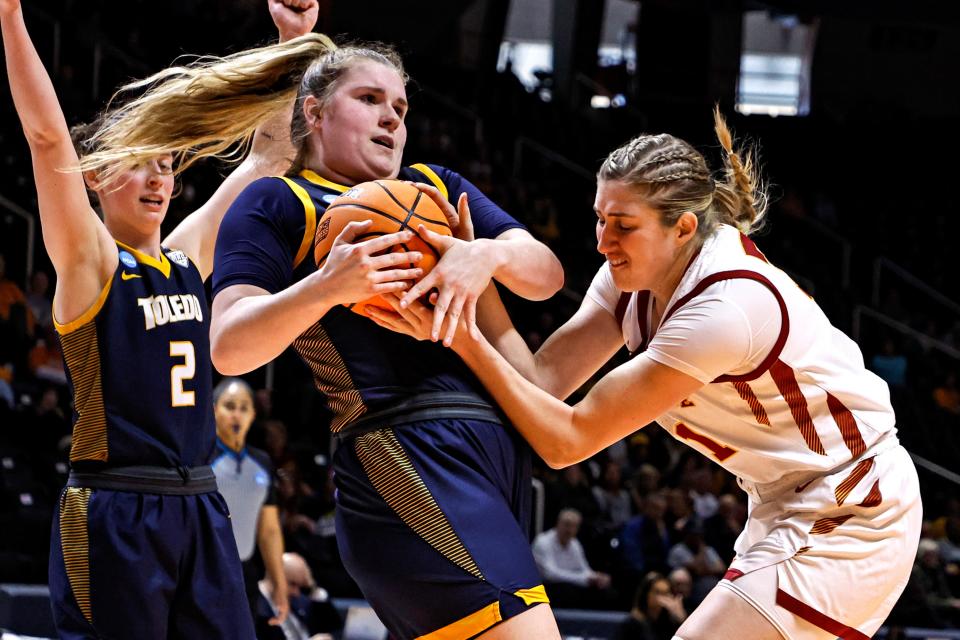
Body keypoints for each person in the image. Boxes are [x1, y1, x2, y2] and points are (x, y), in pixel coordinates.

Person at [372, 109, 923, 640]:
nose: (602, 241)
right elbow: (542, 384)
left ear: (682, 227)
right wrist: (479, 270)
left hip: (854, 506)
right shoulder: (629, 277)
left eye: (623, 226)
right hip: (784, 499)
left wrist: (461, 334)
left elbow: (568, 441)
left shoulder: (724, 308)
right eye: (599, 218)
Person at [195, 35, 565, 639]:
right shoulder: (278, 201)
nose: (392, 116)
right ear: (314, 112)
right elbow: (230, 344)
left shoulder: (434, 186)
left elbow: (546, 275)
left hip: (495, 455)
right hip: (404, 454)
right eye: (369, 99)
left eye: (400, 106)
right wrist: (325, 287)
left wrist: (486, 255)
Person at [1, 1, 322, 636]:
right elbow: (46, 139)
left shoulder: (184, 259)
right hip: (116, 505)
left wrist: (292, 43)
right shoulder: (90, 264)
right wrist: (10, 12)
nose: (157, 178)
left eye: (167, 164)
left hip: (198, 503)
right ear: (94, 175)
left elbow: (266, 161)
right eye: (140, 161)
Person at [211, 377, 288, 626]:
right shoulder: (199, 458)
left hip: (246, 574)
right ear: (214, 410)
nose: (237, 415)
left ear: (253, 414)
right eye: (229, 406)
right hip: (205, 571)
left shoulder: (263, 463)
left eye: (244, 408)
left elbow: (269, 530)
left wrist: (279, 583)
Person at [531, 508, 616, 610]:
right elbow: (550, 574)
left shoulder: (575, 544)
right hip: (545, 588)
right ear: (558, 523)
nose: (569, 530)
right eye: (567, 525)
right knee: (566, 590)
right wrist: (582, 579)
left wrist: (596, 577)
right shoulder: (543, 542)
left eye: (574, 526)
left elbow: (584, 569)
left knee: (605, 590)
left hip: (570, 584)